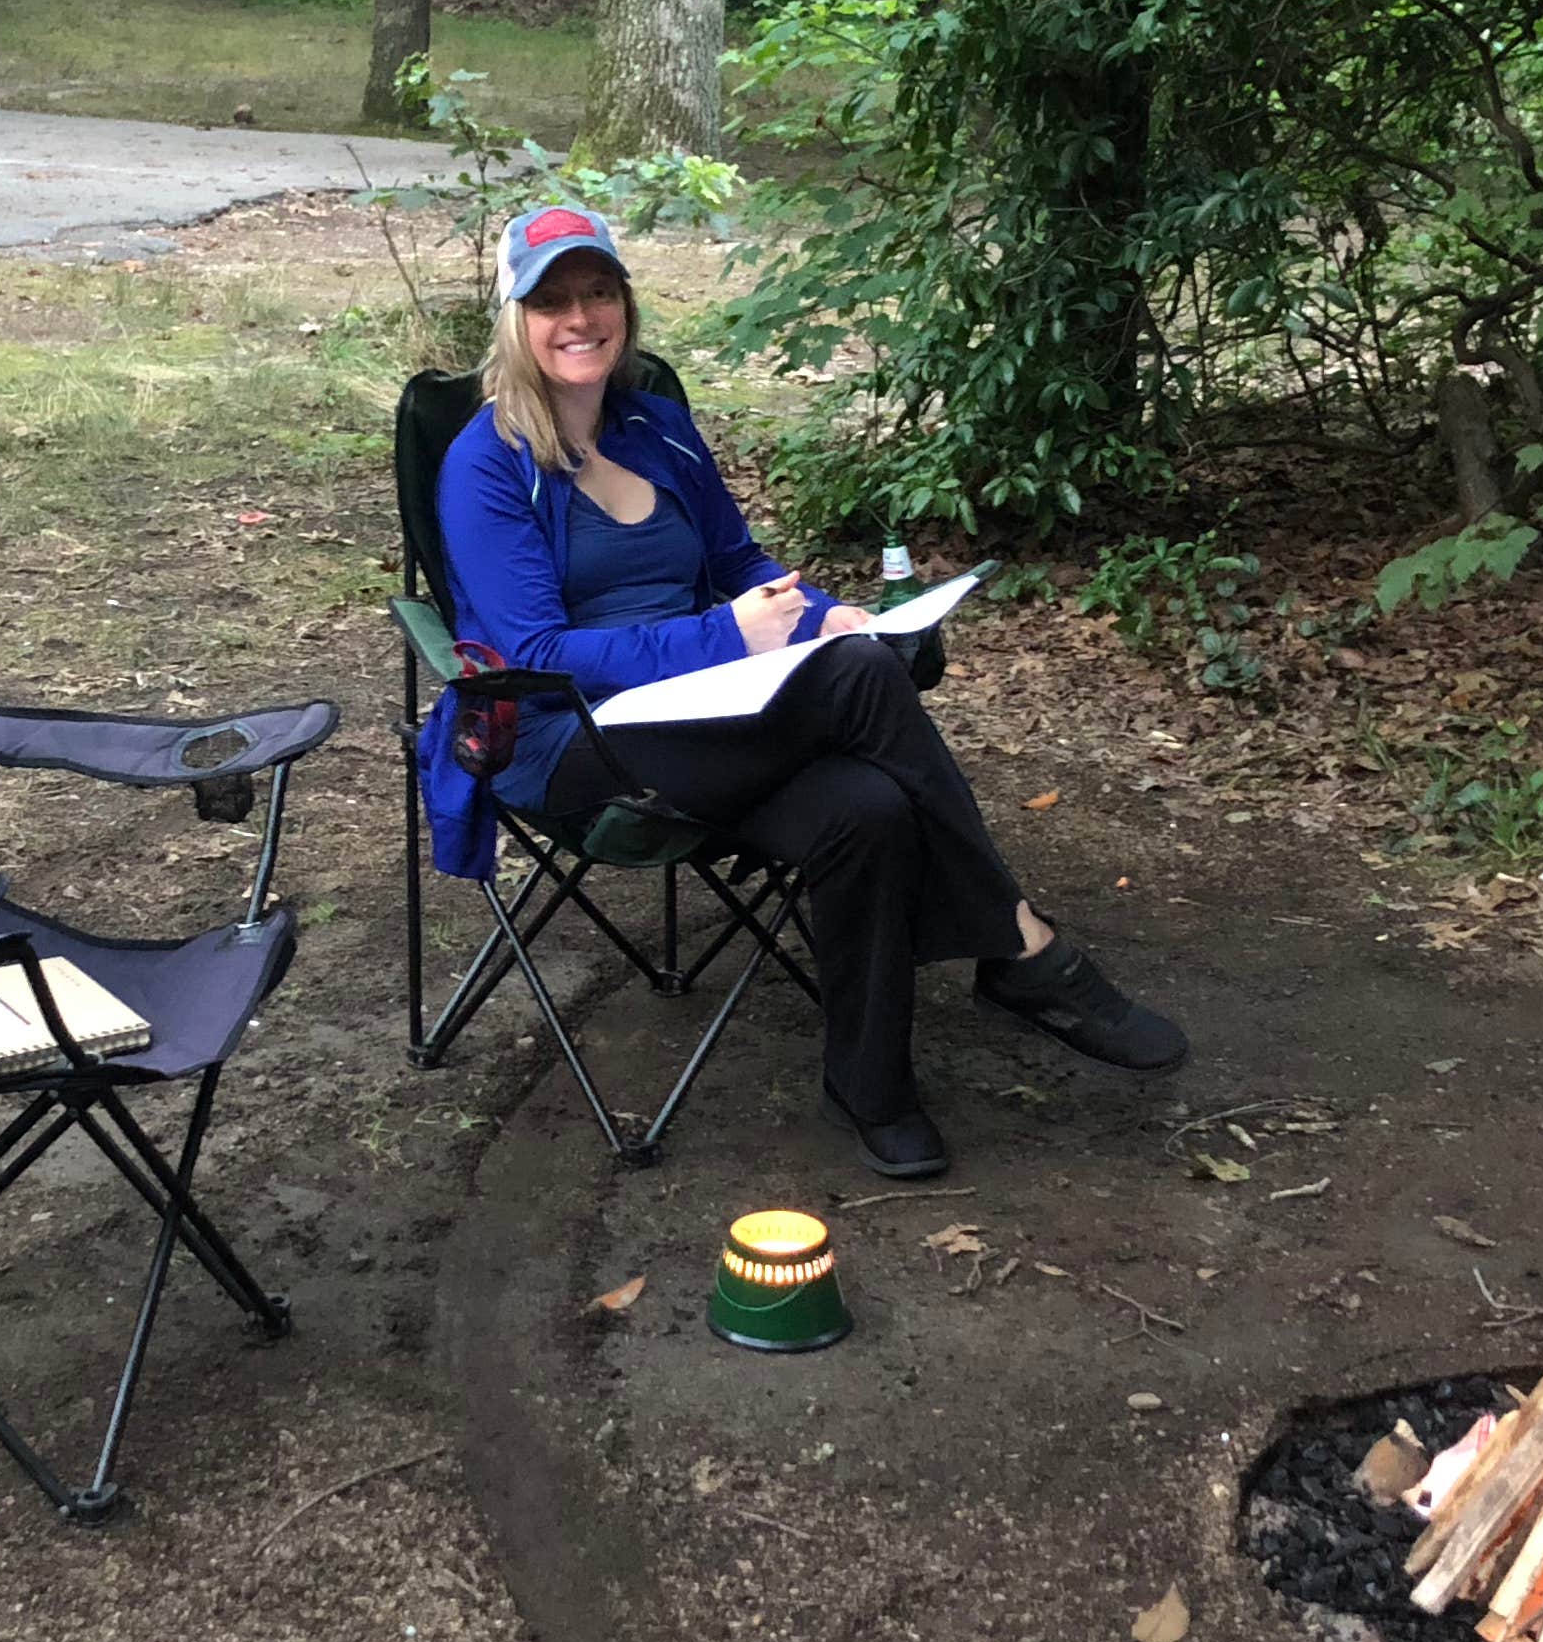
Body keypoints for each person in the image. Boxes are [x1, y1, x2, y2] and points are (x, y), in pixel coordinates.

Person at [418, 202, 1188, 1180]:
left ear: (625, 305)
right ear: (514, 319)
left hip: (710, 721)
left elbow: (740, 562)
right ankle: (1021, 945)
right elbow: (534, 649)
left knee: (865, 805)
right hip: (567, 742)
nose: (579, 317)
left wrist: (823, 615)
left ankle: (872, 1087)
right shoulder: (487, 463)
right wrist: (723, 637)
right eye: (550, 301)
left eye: (598, 291)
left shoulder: (658, 426)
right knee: (863, 681)